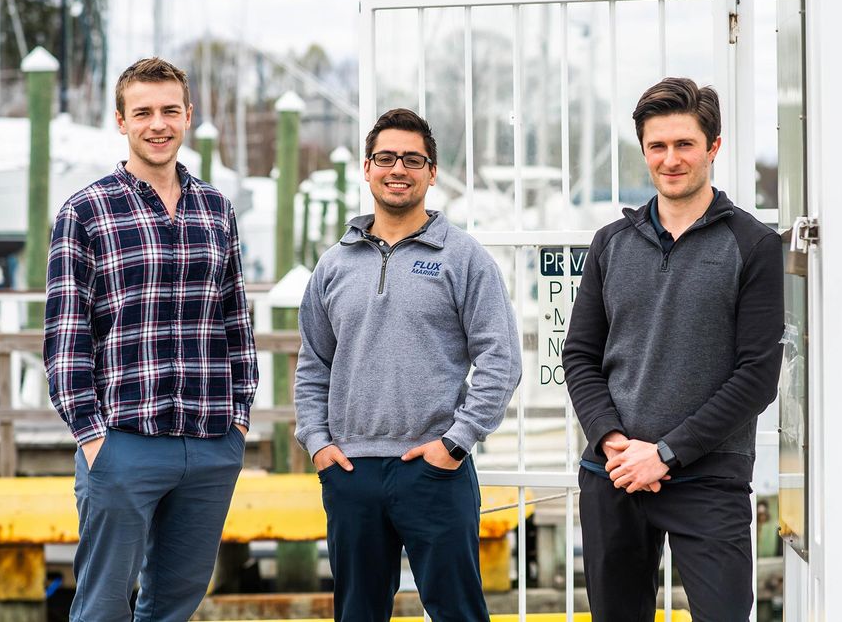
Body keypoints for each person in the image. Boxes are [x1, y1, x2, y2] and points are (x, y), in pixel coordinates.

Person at [44, 57, 258, 622]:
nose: (157, 124)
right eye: (142, 112)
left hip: (211, 439)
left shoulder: (217, 210)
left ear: (187, 116)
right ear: (121, 121)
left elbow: (236, 320)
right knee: (101, 606)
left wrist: (238, 417)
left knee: (174, 606)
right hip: (122, 440)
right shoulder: (85, 212)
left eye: (169, 110)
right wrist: (93, 439)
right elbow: (66, 337)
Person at [562, 77, 784, 621]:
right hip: (613, 474)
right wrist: (614, 441)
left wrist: (663, 453)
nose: (670, 159)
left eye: (684, 144)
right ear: (643, 150)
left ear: (713, 147)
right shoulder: (611, 242)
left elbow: (756, 376)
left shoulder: (753, 245)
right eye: (657, 146)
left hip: (709, 479)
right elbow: (581, 355)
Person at [294, 108, 522, 622]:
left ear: (432, 171)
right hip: (350, 473)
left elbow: (500, 357)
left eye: (413, 159)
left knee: (459, 613)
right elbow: (313, 363)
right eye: (386, 157)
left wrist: (456, 441)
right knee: (357, 614)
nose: (399, 168)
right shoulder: (333, 265)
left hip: (434, 470)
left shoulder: (463, 257)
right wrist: (317, 442)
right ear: (367, 168)